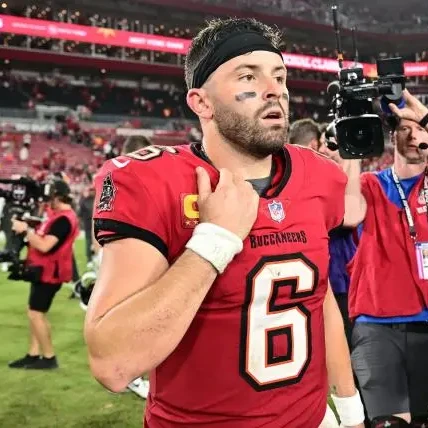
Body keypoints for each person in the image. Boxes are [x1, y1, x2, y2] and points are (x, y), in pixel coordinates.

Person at [85, 18, 365, 428]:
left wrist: (350, 407)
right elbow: (113, 364)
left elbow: (317, 299)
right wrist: (213, 242)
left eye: (279, 76)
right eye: (248, 76)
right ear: (201, 103)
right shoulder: (153, 181)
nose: (274, 89)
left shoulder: (318, 175)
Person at [347, 89, 428, 426]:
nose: (413, 136)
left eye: (419, 129)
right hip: (376, 325)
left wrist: (426, 118)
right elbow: (348, 214)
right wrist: (352, 146)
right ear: (392, 137)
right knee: (390, 423)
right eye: (404, 129)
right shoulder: (370, 184)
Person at [8, 179, 79, 370]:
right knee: (34, 312)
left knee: (36, 313)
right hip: (44, 270)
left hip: (50, 272)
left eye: (50, 198)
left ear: (58, 197)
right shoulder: (59, 216)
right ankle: (33, 354)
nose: (47, 202)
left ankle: (49, 357)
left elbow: (45, 245)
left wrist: (26, 231)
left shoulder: (63, 220)